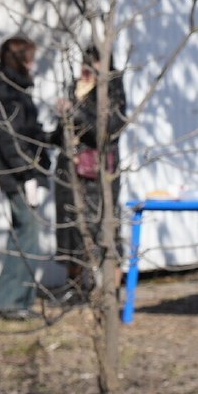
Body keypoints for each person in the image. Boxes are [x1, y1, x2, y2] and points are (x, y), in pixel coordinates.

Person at [0, 34, 53, 320]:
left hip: (24, 172)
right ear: (19, 59)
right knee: (26, 238)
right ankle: (9, 304)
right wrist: (27, 174)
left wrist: (54, 137)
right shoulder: (6, 92)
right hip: (18, 174)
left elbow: (29, 132)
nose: (34, 63)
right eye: (30, 58)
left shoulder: (17, 89)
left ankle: (17, 302)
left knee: (25, 237)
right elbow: (9, 138)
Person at [59, 46, 127, 303]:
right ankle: (78, 289)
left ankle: (110, 291)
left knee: (106, 228)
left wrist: (76, 112)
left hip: (100, 171)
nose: (87, 70)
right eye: (85, 64)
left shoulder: (112, 89)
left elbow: (108, 129)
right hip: (74, 170)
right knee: (75, 230)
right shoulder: (76, 87)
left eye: (93, 64)